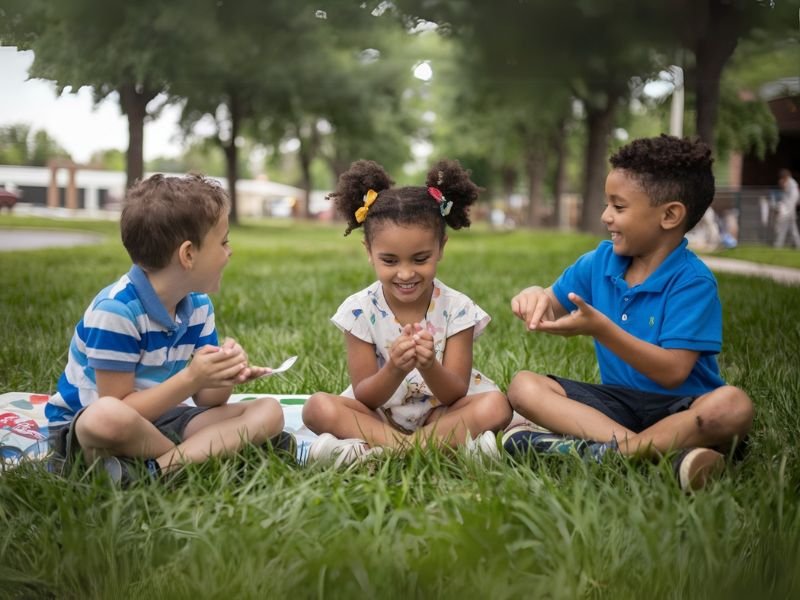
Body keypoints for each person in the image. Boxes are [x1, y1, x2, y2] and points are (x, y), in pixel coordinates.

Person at [504, 135, 754, 491]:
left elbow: (673, 372)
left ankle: (601, 452)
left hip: (683, 408)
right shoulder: (598, 262)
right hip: (618, 405)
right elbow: (551, 301)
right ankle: (657, 455)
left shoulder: (692, 281)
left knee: (733, 405)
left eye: (618, 207)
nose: (605, 216)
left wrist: (603, 330)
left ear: (669, 215)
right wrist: (535, 296)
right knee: (524, 386)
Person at [46, 174, 289, 485]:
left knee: (269, 410)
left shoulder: (198, 306)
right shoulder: (116, 311)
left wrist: (223, 373)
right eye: (224, 242)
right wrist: (192, 378)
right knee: (105, 417)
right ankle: (209, 456)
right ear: (188, 254)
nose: (230, 251)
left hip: (161, 419)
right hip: (89, 428)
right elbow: (119, 407)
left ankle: (157, 471)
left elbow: (208, 399)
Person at [302, 159, 511, 467]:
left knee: (497, 405)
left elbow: (454, 393)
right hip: (379, 416)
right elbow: (366, 397)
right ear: (368, 252)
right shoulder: (359, 311)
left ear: (441, 248)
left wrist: (429, 365)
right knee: (317, 407)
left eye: (420, 259)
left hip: (442, 415)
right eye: (389, 261)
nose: (405, 273)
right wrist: (395, 368)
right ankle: (434, 448)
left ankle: (374, 450)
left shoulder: (458, 309)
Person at [774, 168, 800, 249]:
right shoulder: (788, 184)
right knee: (791, 229)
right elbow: (785, 197)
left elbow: (794, 198)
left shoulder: (792, 185)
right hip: (787, 210)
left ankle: (779, 244)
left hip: (789, 210)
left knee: (784, 228)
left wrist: (787, 211)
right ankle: (797, 244)